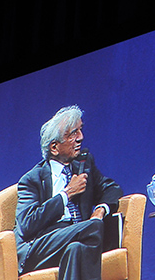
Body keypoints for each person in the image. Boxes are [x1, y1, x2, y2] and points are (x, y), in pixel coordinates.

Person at [15, 105, 123, 280]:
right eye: (72, 134)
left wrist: (100, 210)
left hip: (79, 236)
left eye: (80, 130)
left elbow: (111, 188)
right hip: (41, 246)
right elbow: (27, 224)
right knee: (94, 226)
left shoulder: (83, 164)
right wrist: (66, 195)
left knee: (77, 249)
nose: (81, 137)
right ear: (54, 148)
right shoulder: (31, 179)